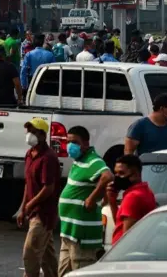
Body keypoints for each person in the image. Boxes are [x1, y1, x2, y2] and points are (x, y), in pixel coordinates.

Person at [58, 126, 113, 276]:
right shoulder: (78, 161)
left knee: (80, 272)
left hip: (82, 235)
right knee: (63, 272)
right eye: (68, 142)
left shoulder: (92, 160)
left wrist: (91, 198)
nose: (71, 146)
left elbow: (107, 176)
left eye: (75, 142)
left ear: (86, 144)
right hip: (69, 232)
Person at [18, 118, 61, 277]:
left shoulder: (48, 158)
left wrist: (31, 204)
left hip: (43, 214)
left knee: (30, 253)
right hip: (32, 211)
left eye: (34, 132)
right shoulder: (30, 154)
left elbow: (48, 188)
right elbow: (27, 184)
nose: (30, 135)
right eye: (29, 132)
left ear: (43, 135)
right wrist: (23, 208)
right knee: (46, 256)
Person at [106, 154, 156, 245]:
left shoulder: (132, 197)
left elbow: (127, 238)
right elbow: (120, 224)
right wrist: (112, 201)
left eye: (121, 173)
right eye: (115, 173)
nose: (117, 177)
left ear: (136, 174)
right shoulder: (146, 191)